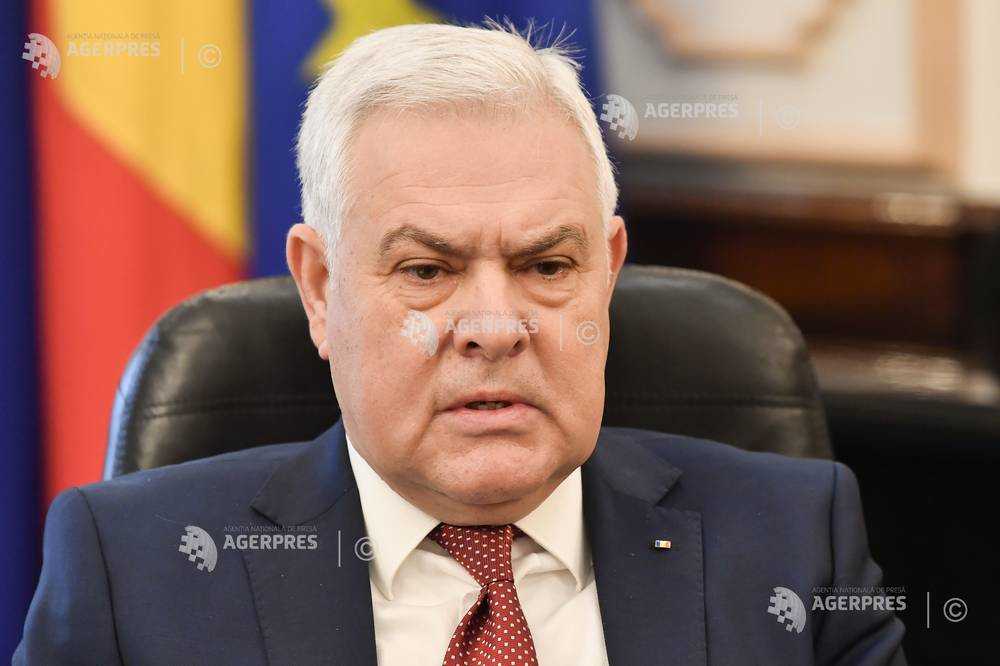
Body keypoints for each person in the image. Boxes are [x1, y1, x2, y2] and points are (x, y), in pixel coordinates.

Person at [15, 22, 906, 665]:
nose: (494, 327)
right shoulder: (130, 571)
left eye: (547, 266)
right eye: (427, 271)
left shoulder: (796, 542)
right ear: (319, 289)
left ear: (607, 270)